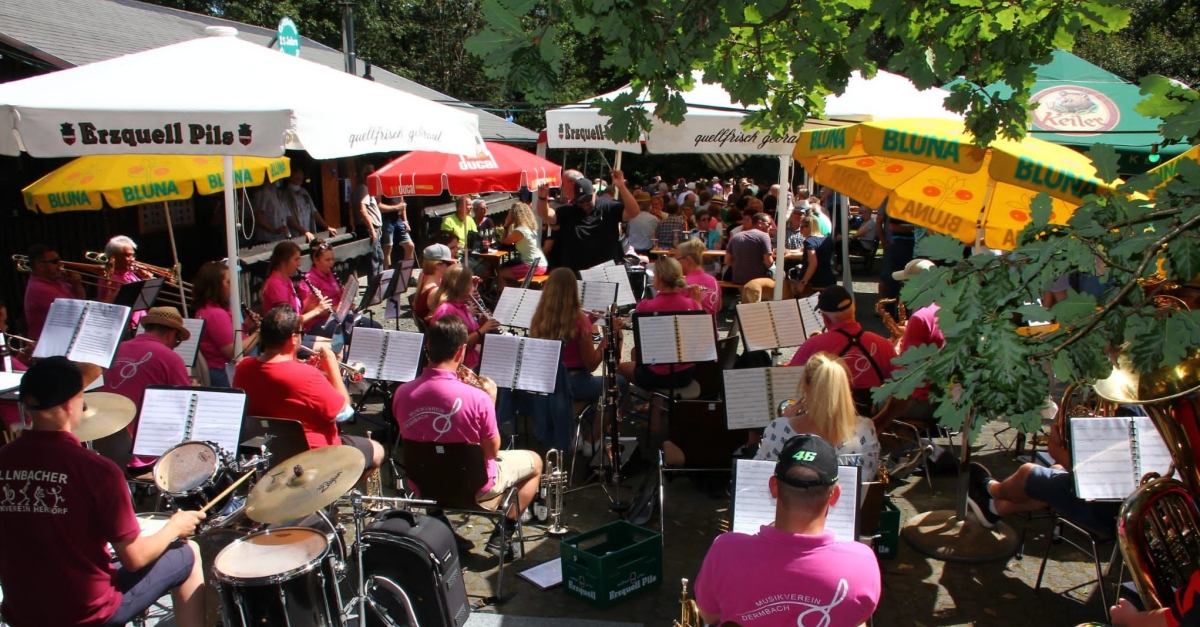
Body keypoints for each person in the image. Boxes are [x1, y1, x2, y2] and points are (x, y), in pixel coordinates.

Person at [0, 357, 207, 627]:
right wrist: (174, 526)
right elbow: (135, 559)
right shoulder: (97, 470)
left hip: (21, 612)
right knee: (188, 552)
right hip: (86, 614)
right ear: (70, 403)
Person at [392, 316, 543, 557]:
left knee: (434, 455)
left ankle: (440, 525)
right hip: (473, 486)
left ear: (428, 345)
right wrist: (489, 402)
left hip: (425, 482)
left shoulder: (402, 392)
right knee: (535, 461)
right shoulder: (478, 397)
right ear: (462, 350)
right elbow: (492, 452)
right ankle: (504, 533)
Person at [695, 433, 881, 626]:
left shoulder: (724, 551)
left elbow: (710, 616)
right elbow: (858, 619)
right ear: (834, 496)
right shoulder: (863, 562)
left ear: (774, 487)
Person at [232, 304, 384, 471]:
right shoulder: (307, 376)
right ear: (293, 338)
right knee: (377, 450)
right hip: (314, 455)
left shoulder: (243, 367)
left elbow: (280, 388)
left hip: (270, 452)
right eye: (301, 333)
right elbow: (344, 412)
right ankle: (341, 492)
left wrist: (312, 371)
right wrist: (332, 367)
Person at [528, 268, 627, 454]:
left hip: (548, 382)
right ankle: (593, 439)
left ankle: (575, 432)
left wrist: (589, 320)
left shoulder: (538, 317)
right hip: (573, 382)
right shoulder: (578, 320)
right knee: (619, 383)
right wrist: (610, 334)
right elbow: (592, 364)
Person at [756, 352, 881, 480]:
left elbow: (760, 476)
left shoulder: (779, 428)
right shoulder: (865, 429)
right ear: (845, 388)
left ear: (806, 388)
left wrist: (786, 422)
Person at [617, 258, 705, 433]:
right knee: (644, 356)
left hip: (658, 375)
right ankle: (654, 418)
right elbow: (703, 333)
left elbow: (644, 340)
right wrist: (698, 302)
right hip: (685, 372)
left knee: (620, 368)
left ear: (661, 280)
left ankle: (619, 413)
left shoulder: (646, 306)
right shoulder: (691, 304)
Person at [787, 286, 896, 414]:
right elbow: (903, 386)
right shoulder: (883, 344)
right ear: (854, 306)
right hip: (867, 419)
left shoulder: (813, 345)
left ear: (825, 318)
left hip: (824, 423)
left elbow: (790, 381)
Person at [535, 169, 639, 273]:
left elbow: (633, 212)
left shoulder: (609, 208)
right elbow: (546, 214)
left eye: (588, 199)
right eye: (580, 201)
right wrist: (542, 197)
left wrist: (621, 187)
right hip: (576, 273)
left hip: (606, 272)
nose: (584, 203)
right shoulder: (567, 211)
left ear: (594, 192)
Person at [192, 261, 260, 388]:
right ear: (216, 286)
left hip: (225, 368)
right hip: (226, 373)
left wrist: (245, 327)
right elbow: (234, 352)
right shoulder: (215, 314)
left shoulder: (206, 309)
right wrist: (259, 333)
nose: (233, 285)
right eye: (228, 282)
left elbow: (226, 335)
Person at [429, 266, 500, 371]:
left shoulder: (462, 306)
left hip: (472, 358)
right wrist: (482, 330)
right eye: (470, 284)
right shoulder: (446, 310)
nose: (473, 288)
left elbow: (469, 331)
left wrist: (481, 323)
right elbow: (453, 346)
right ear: (461, 286)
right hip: (463, 366)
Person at [260, 241, 329, 332]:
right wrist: (317, 310)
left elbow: (296, 311)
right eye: (296, 259)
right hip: (284, 341)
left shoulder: (287, 279)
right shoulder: (276, 284)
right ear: (284, 261)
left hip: (296, 335)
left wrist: (309, 299)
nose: (299, 263)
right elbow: (290, 322)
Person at [23, 243, 86, 340]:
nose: (60, 265)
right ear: (40, 266)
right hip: (47, 347)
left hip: (62, 338)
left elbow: (80, 300)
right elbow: (77, 313)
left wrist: (76, 284)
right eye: (55, 262)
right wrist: (107, 299)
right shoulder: (39, 288)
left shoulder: (55, 281)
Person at [496, 202, 548, 292]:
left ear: (514, 215)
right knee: (511, 278)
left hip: (532, 266)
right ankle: (515, 295)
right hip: (541, 264)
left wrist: (506, 225)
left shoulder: (520, 230)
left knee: (502, 274)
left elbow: (504, 242)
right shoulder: (530, 228)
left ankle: (500, 302)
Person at [281, 169, 337, 242]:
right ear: (289, 179)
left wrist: (327, 227)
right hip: (295, 236)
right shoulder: (284, 194)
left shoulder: (304, 192)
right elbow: (289, 219)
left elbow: (314, 212)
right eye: (296, 179)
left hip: (310, 234)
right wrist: (304, 232)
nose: (299, 181)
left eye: (301, 179)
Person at [96, 235, 154, 305]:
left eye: (133, 255)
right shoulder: (108, 277)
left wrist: (147, 278)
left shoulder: (130, 273)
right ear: (113, 257)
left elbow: (146, 298)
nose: (132, 259)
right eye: (128, 255)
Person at [792, 213, 837, 295]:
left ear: (809, 227)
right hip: (828, 277)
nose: (800, 230)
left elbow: (813, 263)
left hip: (814, 280)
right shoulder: (828, 239)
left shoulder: (809, 241)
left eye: (802, 227)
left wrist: (803, 282)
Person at [352, 164, 384, 274]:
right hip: (369, 229)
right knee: (374, 260)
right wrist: (372, 230)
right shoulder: (363, 188)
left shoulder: (367, 188)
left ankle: (379, 286)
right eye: (368, 174)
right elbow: (362, 210)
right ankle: (375, 288)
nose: (371, 176)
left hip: (375, 228)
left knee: (379, 258)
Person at [725, 212, 774, 285]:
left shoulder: (736, 236)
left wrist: (742, 266)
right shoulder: (764, 236)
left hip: (738, 280)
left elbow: (727, 261)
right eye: (769, 224)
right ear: (760, 223)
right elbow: (768, 263)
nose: (771, 227)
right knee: (781, 274)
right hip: (757, 281)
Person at [413, 243, 456, 325]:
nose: (451, 267)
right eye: (449, 264)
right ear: (437, 265)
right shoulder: (435, 292)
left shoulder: (424, 278)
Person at [676, 238, 719, 319]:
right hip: (712, 330)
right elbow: (718, 307)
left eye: (677, 260)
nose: (676, 263)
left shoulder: (683, 284)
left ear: (688, 260)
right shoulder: (713, 280)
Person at [378, 192, 413, 269]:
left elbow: (402, 204)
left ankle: (406, 273)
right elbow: (379, 206)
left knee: (410, 246)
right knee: (388, 248)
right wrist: (397, 207)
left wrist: (405, 221)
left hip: (399, 220)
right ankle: (387, 276)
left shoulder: (397, 185)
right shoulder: (381, 188)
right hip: (387, 220)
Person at [252, 179, 291, 244]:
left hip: (280, 238)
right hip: (267, 240)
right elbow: (258, 217)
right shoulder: (263, 193)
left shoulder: (278, 193)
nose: (281, 180)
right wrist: (275, 230)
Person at [625, 190, 660, 255]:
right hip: (649, 251)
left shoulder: (631, 218)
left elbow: (627, 233)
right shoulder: (654, 219)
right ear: (650, 206)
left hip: (633, 250)